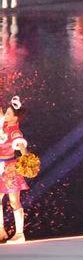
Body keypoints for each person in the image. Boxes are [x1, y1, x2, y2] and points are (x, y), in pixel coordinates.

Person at [0, 96, 30, 243]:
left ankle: (19, 234)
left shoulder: (14, 131)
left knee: (14, 201)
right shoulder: (4, 125)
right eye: (5, 113)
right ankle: (1, 231)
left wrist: (26, 159)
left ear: (15, 118)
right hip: (0, 167)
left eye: (8, 114)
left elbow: (21, 145)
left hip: (10, 169)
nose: (5, 115)